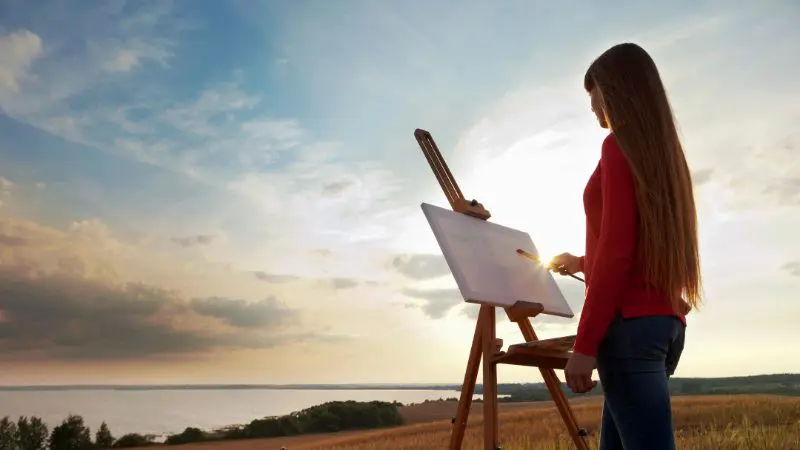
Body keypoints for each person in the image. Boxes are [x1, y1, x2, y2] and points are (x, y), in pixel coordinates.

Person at [548, 42, 702, 450]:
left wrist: (584, 346)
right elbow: (637, 245)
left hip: (629, 330)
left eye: (593, 90)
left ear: (617, 88)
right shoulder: (665, 155)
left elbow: (618, 253)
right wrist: (580, 261)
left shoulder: (617, 146)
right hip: (663, 325)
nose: (592, 104)